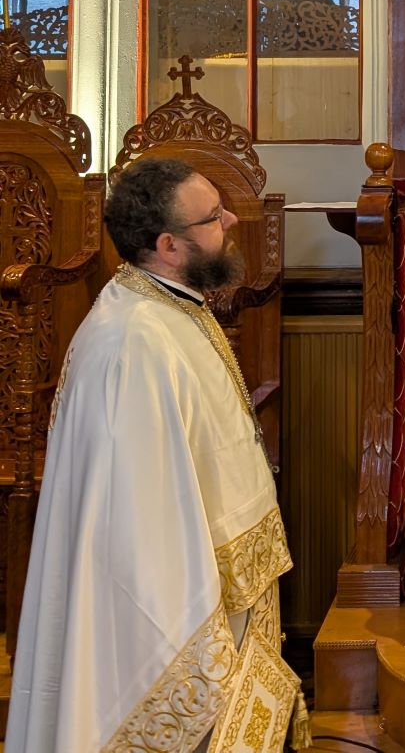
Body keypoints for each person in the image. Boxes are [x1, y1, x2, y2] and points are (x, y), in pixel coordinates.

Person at [5, 158, 308, 753]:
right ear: (168, 246)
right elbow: (138, 527)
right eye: (213, 217)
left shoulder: (169, 304)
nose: (231, 221)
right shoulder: (131, 343)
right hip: (185, 590)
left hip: (228, 570)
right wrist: (198, 617)